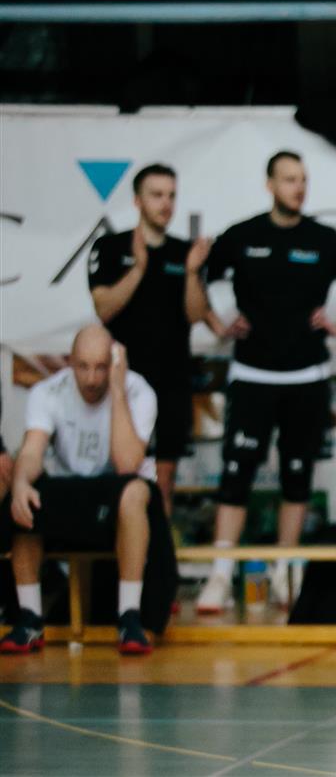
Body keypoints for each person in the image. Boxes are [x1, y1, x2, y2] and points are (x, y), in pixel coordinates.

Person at [194, 151, 336, 613]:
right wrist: (217, 324)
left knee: (297, 478)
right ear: (270, 184)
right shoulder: (242, 236)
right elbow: (198, 278)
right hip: (251, 375)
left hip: (306, 377)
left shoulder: (323, 240)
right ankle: (219, 576)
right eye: (290, 179)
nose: (299, 187)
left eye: (303, 179)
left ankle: (283, 573)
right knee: (236, 476)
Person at [0, 326, 160, 655]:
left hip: (116, 486)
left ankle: (128, 616)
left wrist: (117, 390)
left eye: (101, 367)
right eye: (83, 367)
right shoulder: (49, 391)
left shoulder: (139, 391)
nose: (91, 378)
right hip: (70, 486)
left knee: (134, 492)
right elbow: (32, 451)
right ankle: (29, 617)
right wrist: (20, 483)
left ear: (114, 364)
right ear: (70, 362)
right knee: (26, 493)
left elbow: (127, 464)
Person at [88, 164, 214, 515]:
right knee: (121, 470)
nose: (165, 203)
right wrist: (139, 269)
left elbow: (195, 314)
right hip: (124, 379)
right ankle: (119, 545)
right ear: (137, 201)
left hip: (172, 378)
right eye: (156, 195)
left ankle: (159, 545)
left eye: (171, 195)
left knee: (164, 475)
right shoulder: (111, 247)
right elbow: (103, 309)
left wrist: (192, 272)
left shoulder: (185, 252)